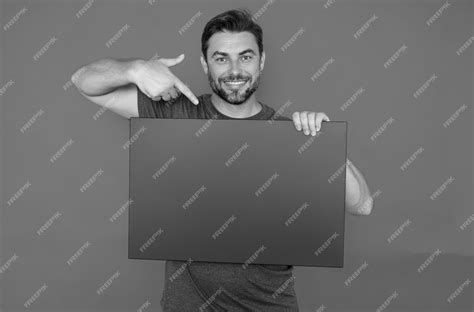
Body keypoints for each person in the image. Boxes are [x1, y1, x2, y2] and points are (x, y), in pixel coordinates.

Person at [72, 7, 373, 311]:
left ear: (262, 61)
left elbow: (362, 205)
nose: (234, 70)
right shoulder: (176, 114)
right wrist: (134, 69)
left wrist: (324, 144)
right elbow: (85, 83)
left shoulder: (289, 134)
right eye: (220, 58)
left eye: (245, 56)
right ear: (205, 64)